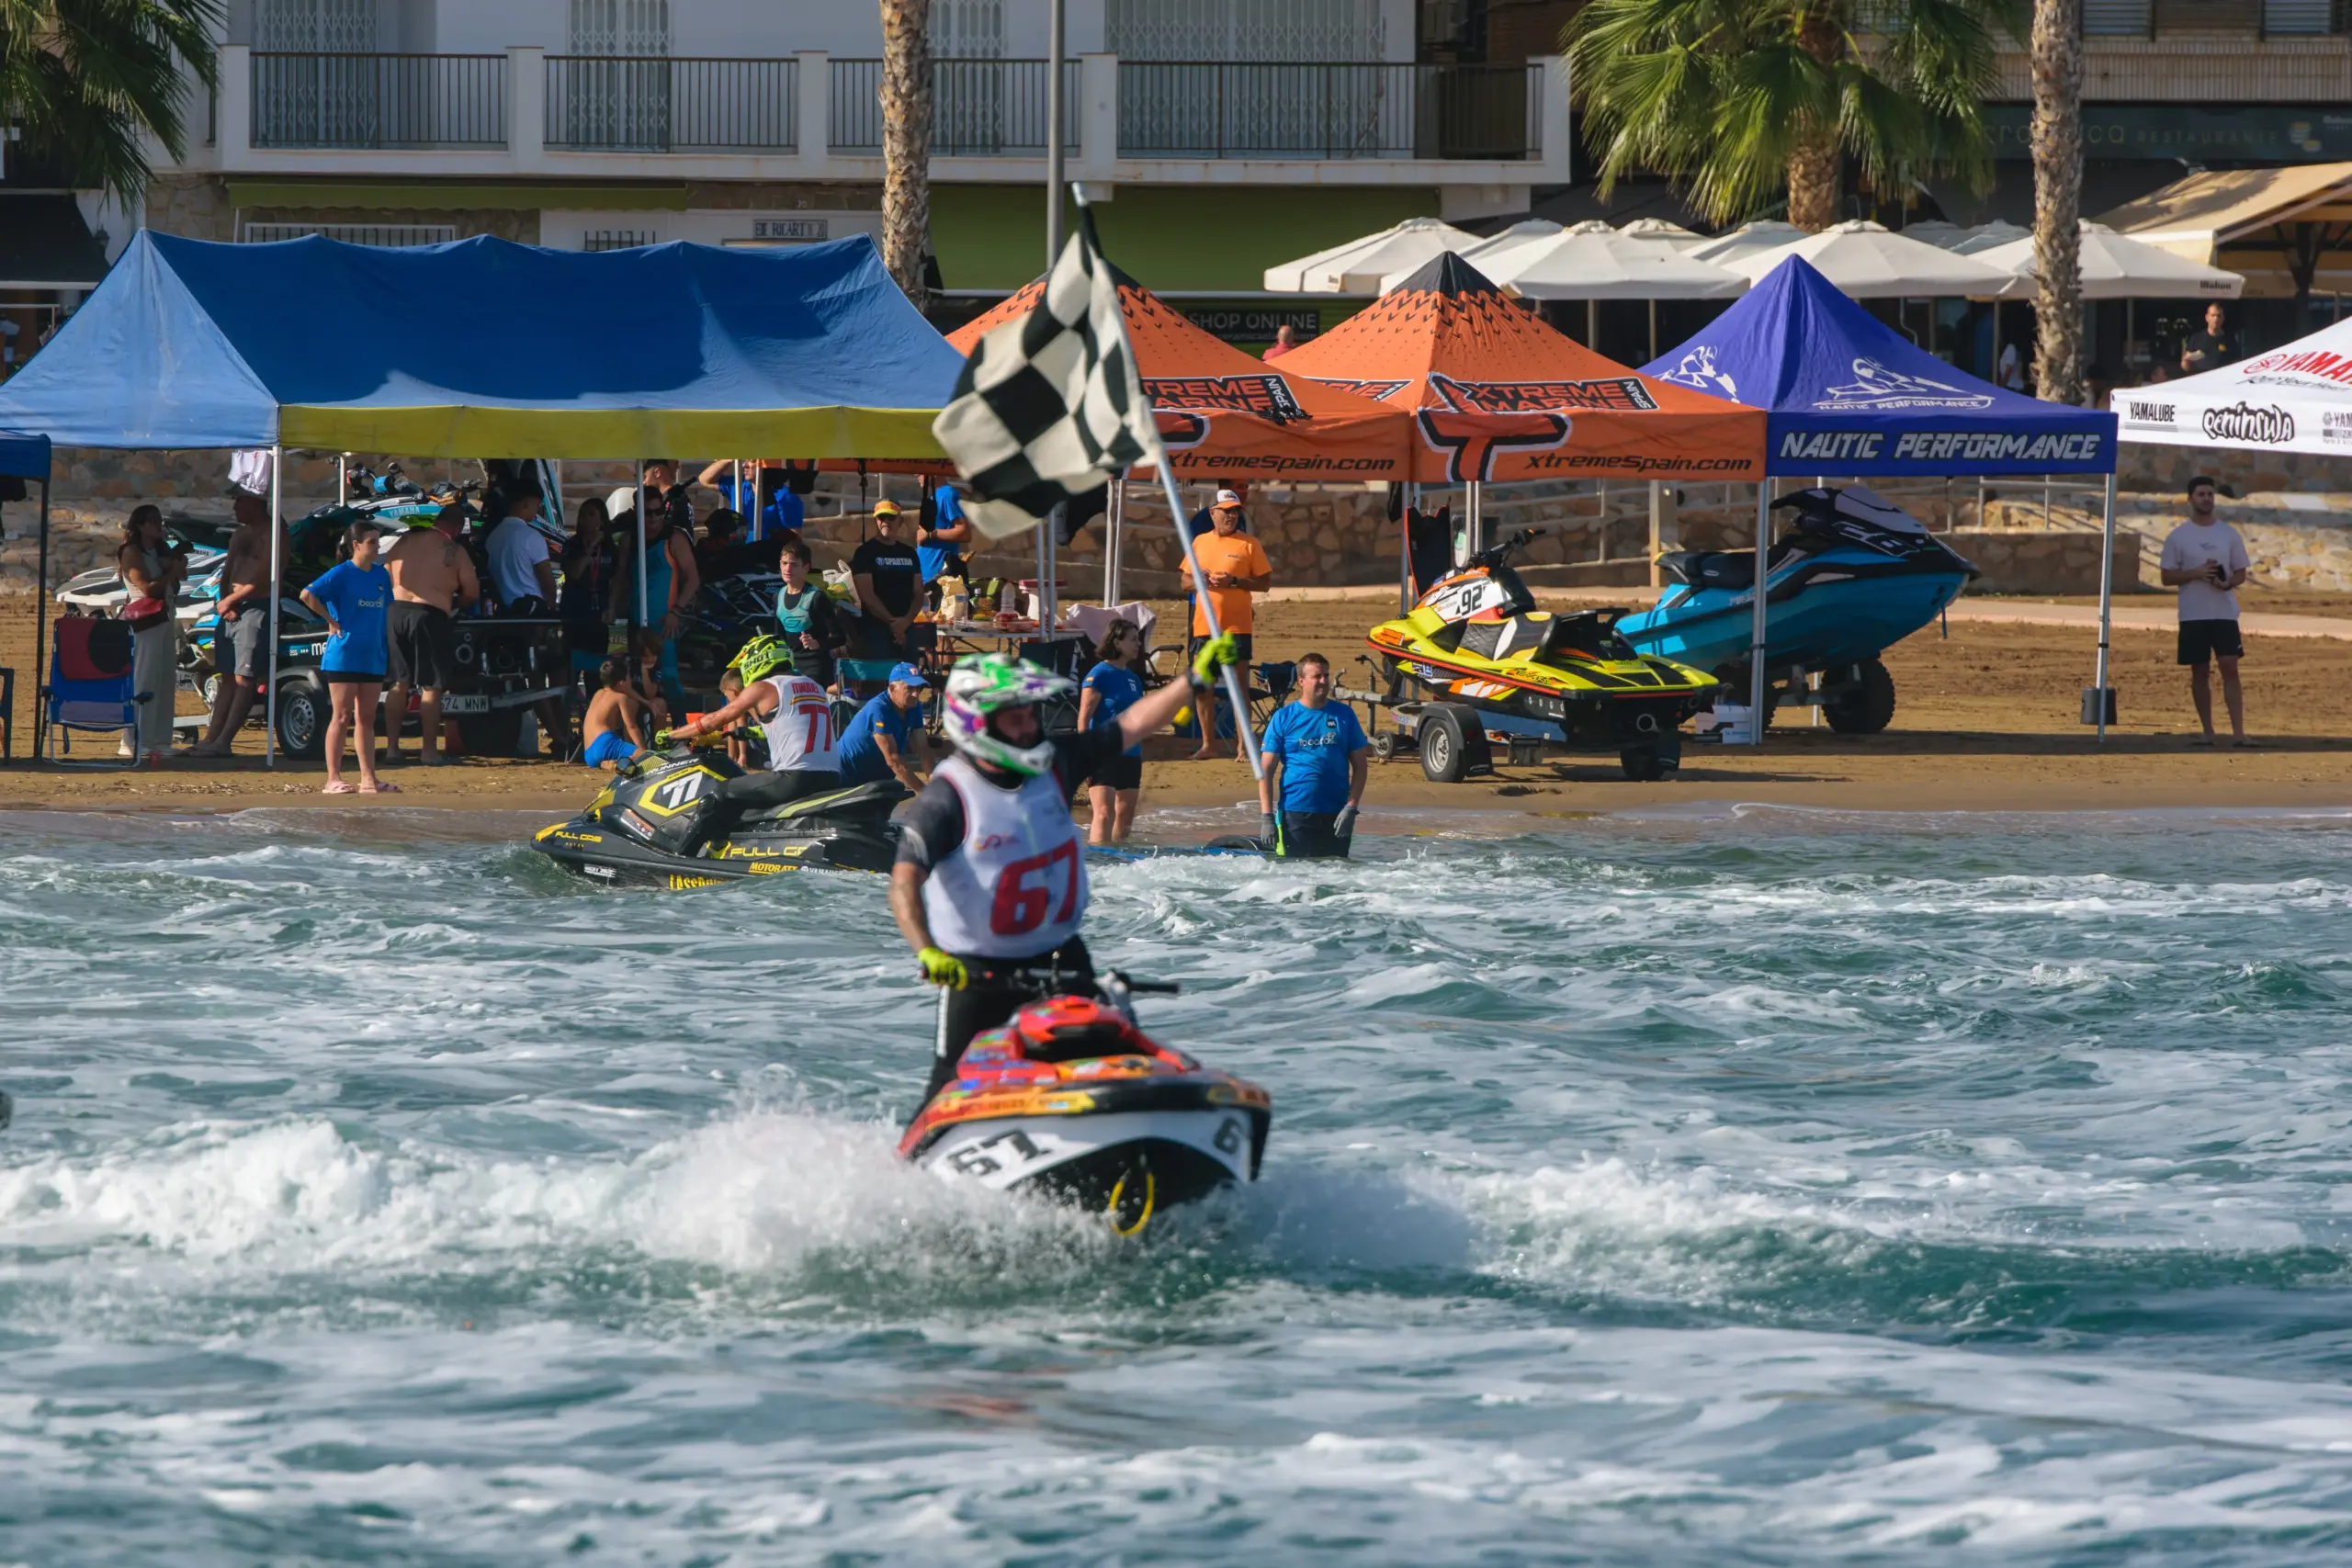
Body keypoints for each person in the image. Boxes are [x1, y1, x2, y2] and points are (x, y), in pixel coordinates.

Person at [890, 637, 1243, 1104]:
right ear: (977, 722)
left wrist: (1192, 681)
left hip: (1063, 958)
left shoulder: (1056, 763)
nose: (1029, 724)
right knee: (946, 1086)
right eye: (1015, 715)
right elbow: (904, 883)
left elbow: (1131, 725)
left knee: (1112, 1059)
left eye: (1031, 712)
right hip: (976, 974)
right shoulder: (946, 797)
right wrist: (929, 953)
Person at [661, 636, 842, 844]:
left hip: (794, 779)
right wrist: (746, 733)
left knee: (719, 790)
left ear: (758, 660)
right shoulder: (815, 686)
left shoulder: (764, 687)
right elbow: (793, 726)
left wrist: (671, 734)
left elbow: (712, 721)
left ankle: (684, 857)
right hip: (831, 778)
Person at [300, 522, 396, 795]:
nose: (378, 547)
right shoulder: (341, 573)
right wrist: (331, 620)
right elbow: (307, 594)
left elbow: (385, 612)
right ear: (356, 545)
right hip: (344, 654)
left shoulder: (380, 575)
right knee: (341, 715)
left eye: (378, 542)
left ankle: (369, 779)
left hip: (372, 654)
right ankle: (333, 778)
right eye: (372, 543)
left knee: (366, 717)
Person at [2159, 475, 2254, 748]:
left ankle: (2238, 732)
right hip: (2193, 613)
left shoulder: (2228, 533)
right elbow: (2166, 577)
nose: (2206, 499)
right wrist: (2196, 573)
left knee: (2230, 667)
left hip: (2224, 612)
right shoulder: (2179, 537)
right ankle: (2208, 731)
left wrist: (2226, 583)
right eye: (2201, 494)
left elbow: (2240, 572)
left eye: (2210, 494)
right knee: (2199, 671)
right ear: (2190, 499)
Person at [382, 504, 481, 766]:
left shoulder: (404, 541)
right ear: (458, 528)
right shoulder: (454, 550)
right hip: (429, 614)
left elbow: (386, 573)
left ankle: (392, 748)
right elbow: (472, 591)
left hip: (396, 611)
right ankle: (428, 751)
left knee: (398, 682)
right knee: (431, 685)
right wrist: (452, 603)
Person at [190, 485, 282, 758]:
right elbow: (227, 571)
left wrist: (232, 600)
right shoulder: (241, 534)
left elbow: (267, 577)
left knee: (245, 676)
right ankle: (211, 738)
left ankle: (224, 741)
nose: (234, 508)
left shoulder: (273, 533)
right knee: (227, 676)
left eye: (238, 502)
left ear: (254, 502)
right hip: (228, 608)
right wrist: (224, 601)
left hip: (256, 607)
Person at [1256, 651, 1369, 858]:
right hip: (1295, 814)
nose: (1323, 681)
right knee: (1295, 877)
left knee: (1336, 877)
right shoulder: (1283, 717)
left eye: (1326, 675)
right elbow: (1266, 770)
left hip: (1336, 814)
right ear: (1301, 681)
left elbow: (1361, 766)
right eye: (1317, 676)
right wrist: (1266, 818)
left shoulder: (1344, 715)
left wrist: (1351, 808)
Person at [1187, 490, 1272, 761]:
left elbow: (1264, 583)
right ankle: (1208, 745)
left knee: (1238, 688)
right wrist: (1198, 579)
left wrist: (1233, 582)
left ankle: (1243, 747)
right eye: (1226, 511)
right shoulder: (1199, 542)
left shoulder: (1249, 544)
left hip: (1236, 627)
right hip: (1204, 627)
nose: (1231, 516)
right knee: (1203, 687)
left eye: (1235, 511)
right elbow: (1184, 582)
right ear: (1212, 513)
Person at [607, 482, 699, 710]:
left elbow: (693, 579)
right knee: (618, 671)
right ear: (637, 511)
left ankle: (679, 732)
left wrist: (677, 611)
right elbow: (620, 577)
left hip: (663, 622)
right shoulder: (630, 539)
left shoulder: (675, 538)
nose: (653, 518)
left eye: (658, 511)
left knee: (668, 678)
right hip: (630, 619)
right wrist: (612, 607)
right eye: (647, 512)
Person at [117, 505, 188, 765]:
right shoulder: (131, 552)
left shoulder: (158, 551)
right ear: (139, 525)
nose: (157, 525)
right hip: (144, 620)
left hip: (165, 616)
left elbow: (178, 580)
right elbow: (147, 589)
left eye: (158, 520)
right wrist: (171, 573)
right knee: (144, 677)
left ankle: (159, 738)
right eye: (151, 521)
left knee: (165, 676)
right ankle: (134, 740)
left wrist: (175, 568)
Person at [1076, 619, 1148, 845]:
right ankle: (1097, 861)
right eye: (1133, 639)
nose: (1138, 644)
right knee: (1105, 812)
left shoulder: (1134, 679)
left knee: (1125, 816)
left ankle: (1117, 865)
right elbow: (1084, 718)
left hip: (1131, 753)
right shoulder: (1099, 674)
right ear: (1117, 642)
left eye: (1139, 639)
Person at [837, 662, 932, 791]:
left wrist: (934, 785)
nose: (916, 694)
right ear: (893, 689)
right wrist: (925, 793)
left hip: (875, 775)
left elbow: (923, 748)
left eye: (919, 688)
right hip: (846, 774)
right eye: (910, 688)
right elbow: (893, 760)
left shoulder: (914, 706)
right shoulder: (879, 709)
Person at [851, 500, 923, 661]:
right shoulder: (864, 553)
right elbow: (867, 596)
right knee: (879, 680)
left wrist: (906, 622)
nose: (886, 522)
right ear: (876, 521)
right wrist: (894, 625)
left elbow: (919, 592)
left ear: (900, 521)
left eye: (891, 517)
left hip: (907, 627)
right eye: (881, 518)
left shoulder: (909, 553)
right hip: (876, 629)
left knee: (909, 680)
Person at [774, 538, 847, 691]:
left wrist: (817, 644)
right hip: (790, 667)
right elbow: (778, 637)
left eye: (794, 564)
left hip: (815, 667)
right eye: (784, 563)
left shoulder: (816, 597)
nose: (788, 569)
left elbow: (840, 637)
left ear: (806, 568)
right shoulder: (778, 596)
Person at [560, 494, 616, 680]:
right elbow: (574, 572)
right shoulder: (571, 545)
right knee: (570, 672)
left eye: (591, 514)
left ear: (601, 520)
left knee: (596, 673)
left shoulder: (610, 548)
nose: (585, 519)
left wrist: (612, 607)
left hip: (598, 615)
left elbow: (618, 579)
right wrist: (589, 549)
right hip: (574, 613)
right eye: (582, 514)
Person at [487, 487, 558, 615]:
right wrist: (551, 608)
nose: (537, 511)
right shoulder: (531, 536)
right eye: (537, 505)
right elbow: (546, 579)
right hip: (531, 610)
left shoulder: (493, 537)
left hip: (504, 610)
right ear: (526, 504)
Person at [579, 656, 651, 770]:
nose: (630, 680)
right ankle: (619, 761)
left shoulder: (598, 693)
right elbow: (631, 727)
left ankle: (606, 763)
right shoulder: (620, 697)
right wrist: (644, 752)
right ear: (621, 683)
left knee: (620, 754)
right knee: (649, 758)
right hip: (605, 744)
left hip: (589, 753)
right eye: (628, 677)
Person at [917, 483, 975, 592]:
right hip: (926, 582)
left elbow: (965, 532)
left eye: (920, 472)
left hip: (940, 582)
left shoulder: (947, 494)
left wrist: (929, 534)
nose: (916, 474)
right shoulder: (935, 496)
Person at [2180, 303, 2236, 378]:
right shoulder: (2197, 338)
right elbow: (2185, 364)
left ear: (2223, 318)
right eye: (2213, 315)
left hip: (2222, 380)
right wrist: (2186, 361)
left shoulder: (2229, 339)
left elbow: (2236, 363)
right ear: (2207, 318)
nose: (2216, 319)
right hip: (2201, 381)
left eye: (2219, 316)